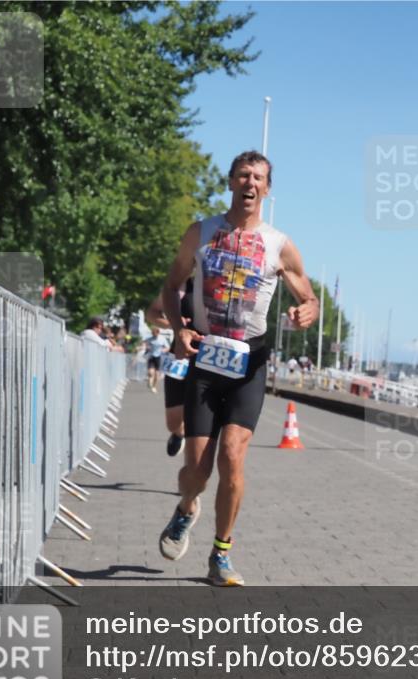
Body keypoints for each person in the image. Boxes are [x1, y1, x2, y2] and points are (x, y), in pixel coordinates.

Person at [157, 151, 319, 586]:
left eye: (259, 178)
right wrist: (179, 329)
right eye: (243, 175)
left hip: (250, 361)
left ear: (267, 189)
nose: (250, 183)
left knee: (232, 455)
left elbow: (309, 296)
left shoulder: (279, 244)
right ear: (230, 182)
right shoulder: (201, 232)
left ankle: (221, 554)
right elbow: (172, 286)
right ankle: (187, 507)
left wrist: (309, 312)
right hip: (206, 362)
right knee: (197, 471)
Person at [146, 279, 196, 457]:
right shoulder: (183, 285)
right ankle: (179, 432)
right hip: (180, 356)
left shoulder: (231, 287)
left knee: (200, 419)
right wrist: (172, 323)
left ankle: (195, 466)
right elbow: (152, 313)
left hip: (211, 359)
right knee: (173, 422)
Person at [144, 328, 170, 393]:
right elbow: (144, 343)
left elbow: (167, 347)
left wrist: (164, 350)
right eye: (153, 333)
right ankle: (150, 381)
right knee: (150, 372)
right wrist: (146, 347)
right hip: (151, 356)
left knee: (156, 374)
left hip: (159, 357)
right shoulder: (150, 339)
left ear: (158, 333)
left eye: (155, 333)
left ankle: (154, 386)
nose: (154, 335)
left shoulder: (162, 339)